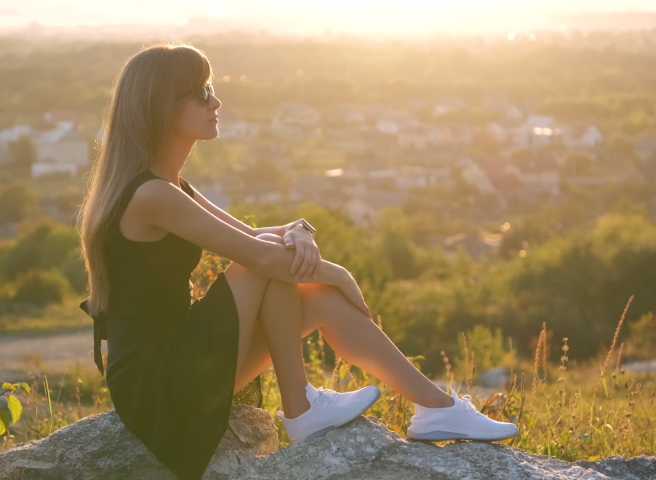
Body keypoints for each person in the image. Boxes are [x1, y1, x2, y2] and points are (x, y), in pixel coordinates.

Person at [77, 42, 517, 480]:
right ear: (161, 106)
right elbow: (257, 255)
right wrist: (337, 272)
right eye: (202, 91)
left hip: (180, 361)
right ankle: (302, 407)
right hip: (158, 381)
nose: (216, 102)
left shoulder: (170, 186)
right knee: (266, 265)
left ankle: (435, 407)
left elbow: (254, 236)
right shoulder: (151, 195)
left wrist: (299, 229)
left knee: (319, 298)